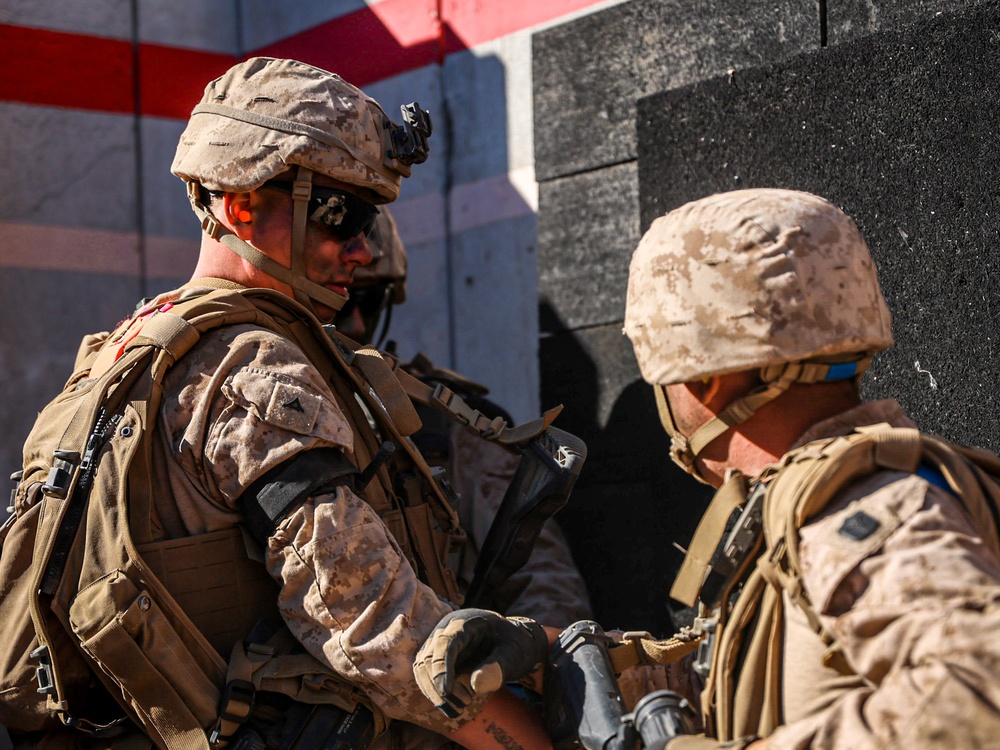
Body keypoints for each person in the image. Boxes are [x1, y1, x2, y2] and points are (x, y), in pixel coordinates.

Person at [4, 57, 550, 750]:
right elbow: (369, 620)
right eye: (342, 215)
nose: (362, 247)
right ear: (240, 206)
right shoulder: (252, 361)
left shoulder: (121, 349)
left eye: (372, 218)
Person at [411, 188, 1000, 748]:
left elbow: (981, 694)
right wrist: (558, 656)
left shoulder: (866, 516)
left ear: (703, 378)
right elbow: (758, 692)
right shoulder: (802, 503)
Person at [335, 207, 593, 627]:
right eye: (342, 301)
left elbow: (545, 585)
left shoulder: (444, 424)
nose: (358, 323)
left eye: (368, 300)